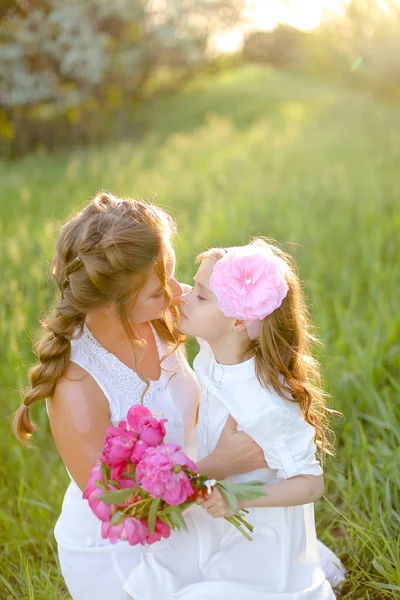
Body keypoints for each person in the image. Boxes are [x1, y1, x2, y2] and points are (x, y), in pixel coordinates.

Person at [13, 193, 271, 600]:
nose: (175, 292)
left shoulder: (160, 311)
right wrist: (220, 464)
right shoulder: (77, 385)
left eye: (171, 271)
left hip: (194, 498)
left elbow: (249, 327)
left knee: (273, 564)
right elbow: (124, 510)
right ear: (109, 305)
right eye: (158, 289)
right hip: (125, 547)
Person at [124, 239, 344, 600]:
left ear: (240, 321)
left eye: (201, 296)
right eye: (193, 287)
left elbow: (311, 485)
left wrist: (238, 500)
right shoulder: (214, 349)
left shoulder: (266, 402)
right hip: (218, 509)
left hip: (254, 526)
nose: (183, 297)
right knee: (152, 579)